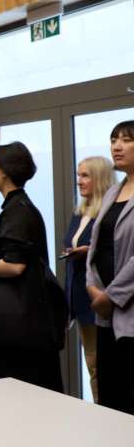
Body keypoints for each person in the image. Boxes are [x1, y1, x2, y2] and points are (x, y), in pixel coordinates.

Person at [0, 142, 64, 392]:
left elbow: (15, 265)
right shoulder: (17, 207)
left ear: (5, 171)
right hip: (18, 319)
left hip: (17, 324)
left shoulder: (17, 211)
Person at [86, 121, 134, 414]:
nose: (117, 146)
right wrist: (92, 287)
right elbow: (95, 248)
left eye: (126, 140)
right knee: (109, 399)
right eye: (114, 139)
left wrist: (111, 295)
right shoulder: (111, 192)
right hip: (104, 313)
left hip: (127, 310)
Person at [62, 156, 114, 402]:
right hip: (81, 297)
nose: (79, 181)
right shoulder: (80, 211)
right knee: (93, 364)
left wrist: (89, 250)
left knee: (104, 366)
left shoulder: (110, 212)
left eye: (85, 176)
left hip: (103, 296)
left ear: (100, 179)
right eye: (78, 175)